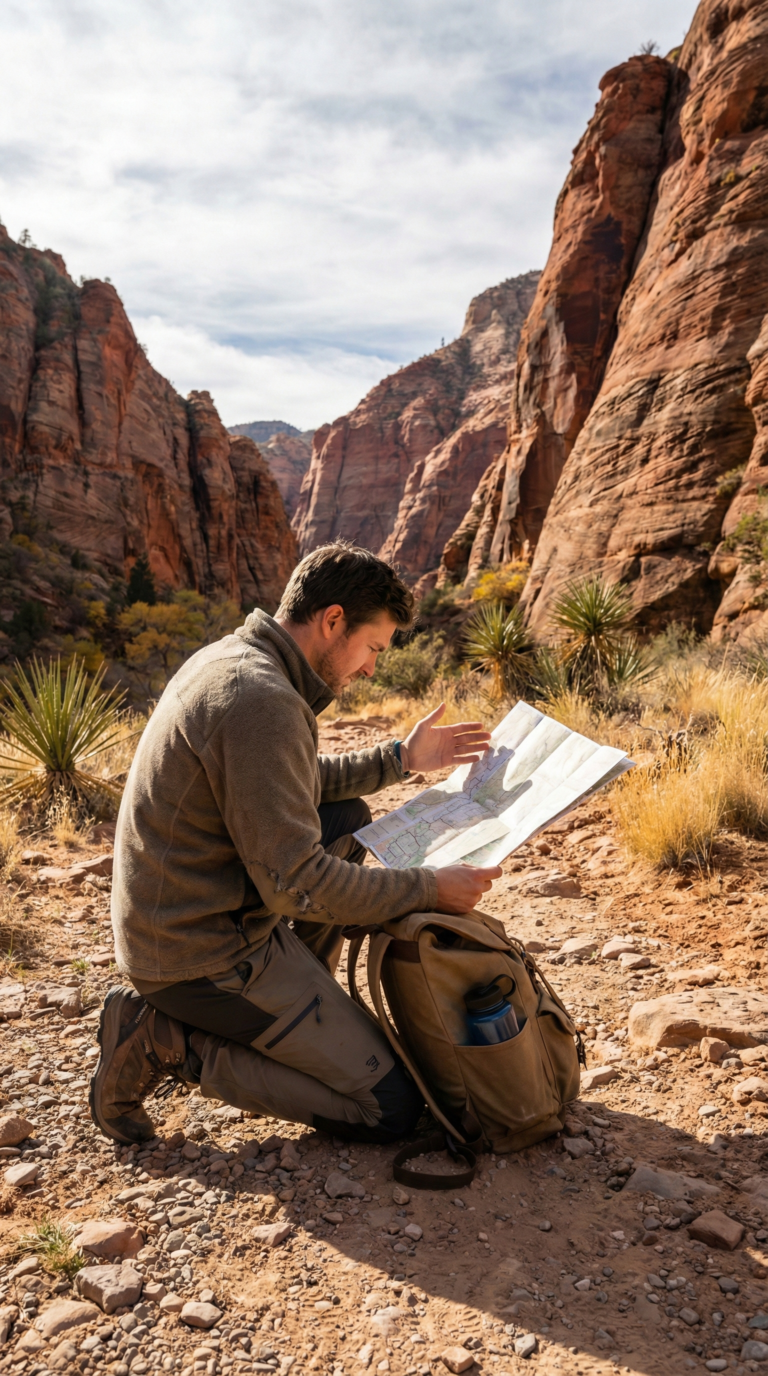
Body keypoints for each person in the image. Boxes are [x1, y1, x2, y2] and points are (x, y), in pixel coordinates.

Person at [90, 542, 501, 1147]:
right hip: (196, 957)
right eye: (374, 648)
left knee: (344, 817)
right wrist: (428, 887)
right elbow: (299, 883)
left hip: (194, 916)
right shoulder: (261, 699)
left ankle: (298, 1002)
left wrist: (402, 759)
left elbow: (294, 783)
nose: (371, 669)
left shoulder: (239, 660)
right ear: (333, 620)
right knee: (389, 1108)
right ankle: (162, 1037)